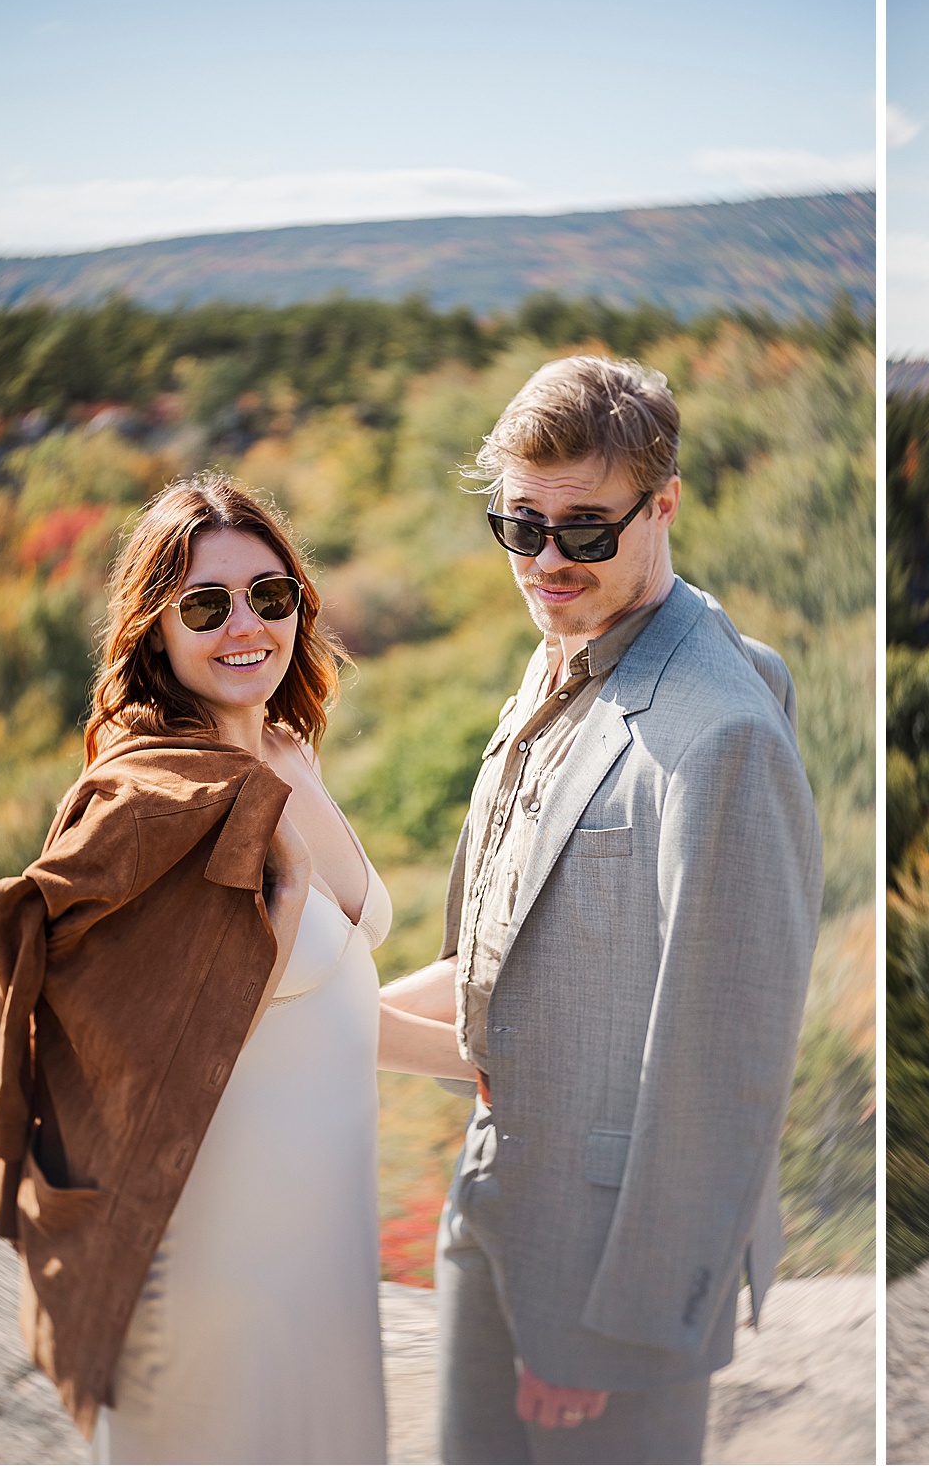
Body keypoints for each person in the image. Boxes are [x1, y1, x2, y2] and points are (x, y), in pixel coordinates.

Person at [375, 355, 823, 1463]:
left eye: (584, 529)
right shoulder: (555, 658)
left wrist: (610, 1336)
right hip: (497, 1208)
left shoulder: (720, 734)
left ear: (661, 505)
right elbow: (503, 964)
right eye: (518, 525)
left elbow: (724, 1070)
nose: (545, 560)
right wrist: (307, 1014)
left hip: (602, 1282)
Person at [0, 476, 400, 1460]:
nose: (245, 625)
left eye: (269, 596)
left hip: (316, 1257)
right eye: (206, 605)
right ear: (154, 629)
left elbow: (333, 996)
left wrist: (485, 1048)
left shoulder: (281, 755)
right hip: (207, 1276)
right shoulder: (149, 803)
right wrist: (280, 907)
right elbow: (147, 1052)